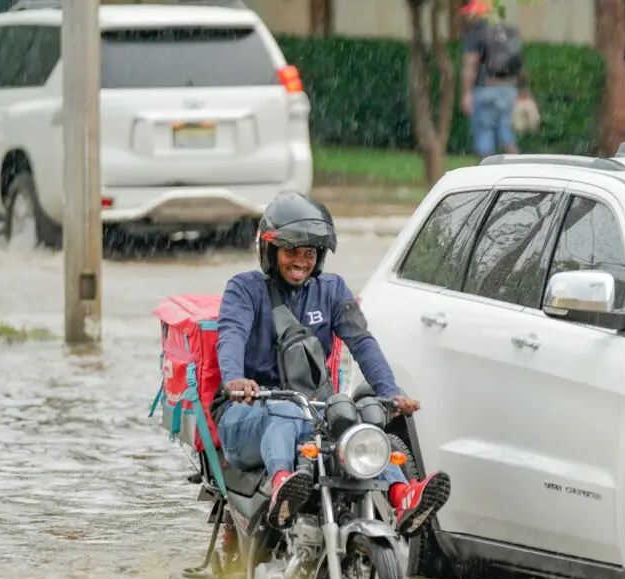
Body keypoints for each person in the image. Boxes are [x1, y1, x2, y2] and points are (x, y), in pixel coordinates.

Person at [213, 191, 451, 534]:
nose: (301, 261)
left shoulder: (333, 289)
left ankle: (402, 494)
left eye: (309, 253)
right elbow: (231, 335)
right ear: (270, 251)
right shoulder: (244, 288)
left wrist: (390, 392)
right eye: (291, 251)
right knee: (286, 411)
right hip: (247, 414)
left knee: (356, 417)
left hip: (310, 410)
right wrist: (235, 379)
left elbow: (362, 342)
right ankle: (283, 484)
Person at [459, 0, 525, 158]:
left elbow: (471, 64)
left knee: (484, 135)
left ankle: (485, 176)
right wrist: (522, 90)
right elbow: (520, 65)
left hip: (485, 90)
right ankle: (518, 170)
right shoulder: (505, 31)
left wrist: (466, 93)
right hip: (508, 90)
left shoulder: (476, 32)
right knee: (507, 134)